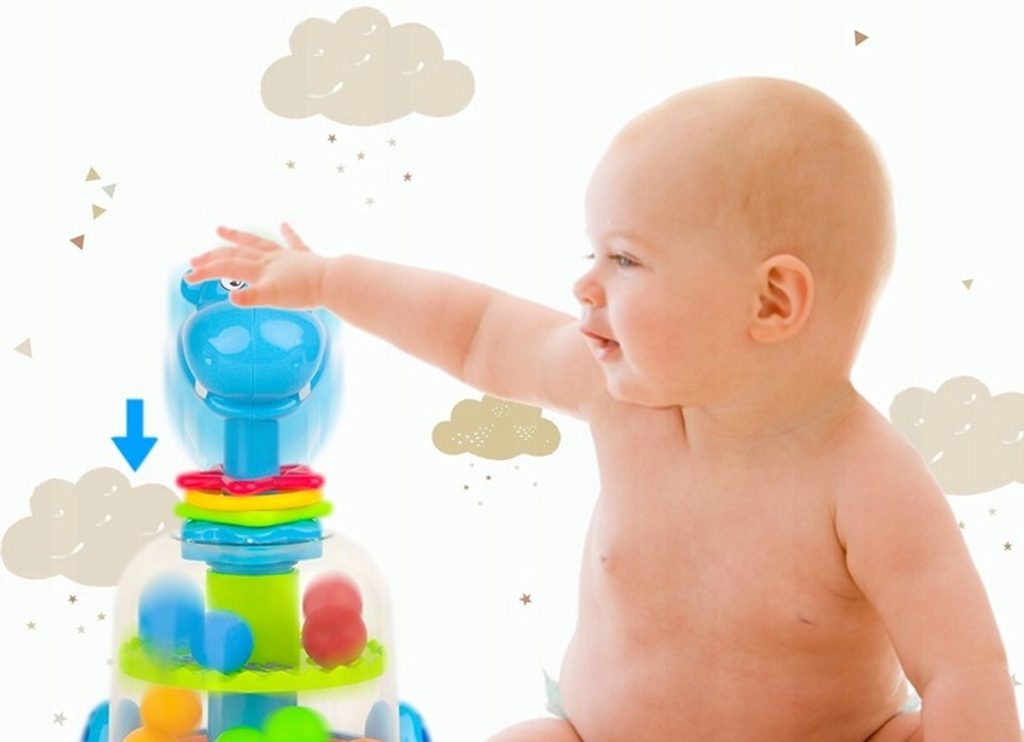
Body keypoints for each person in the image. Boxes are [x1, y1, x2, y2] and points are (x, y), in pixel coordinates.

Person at [185, 76, 1021, 741]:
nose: (585, 285)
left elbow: (963, 674)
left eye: (625, 259)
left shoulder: (868, 479)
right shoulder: (623, 399)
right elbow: (477, 331)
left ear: (771, 303)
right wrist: (331, 280)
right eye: (594, 253)